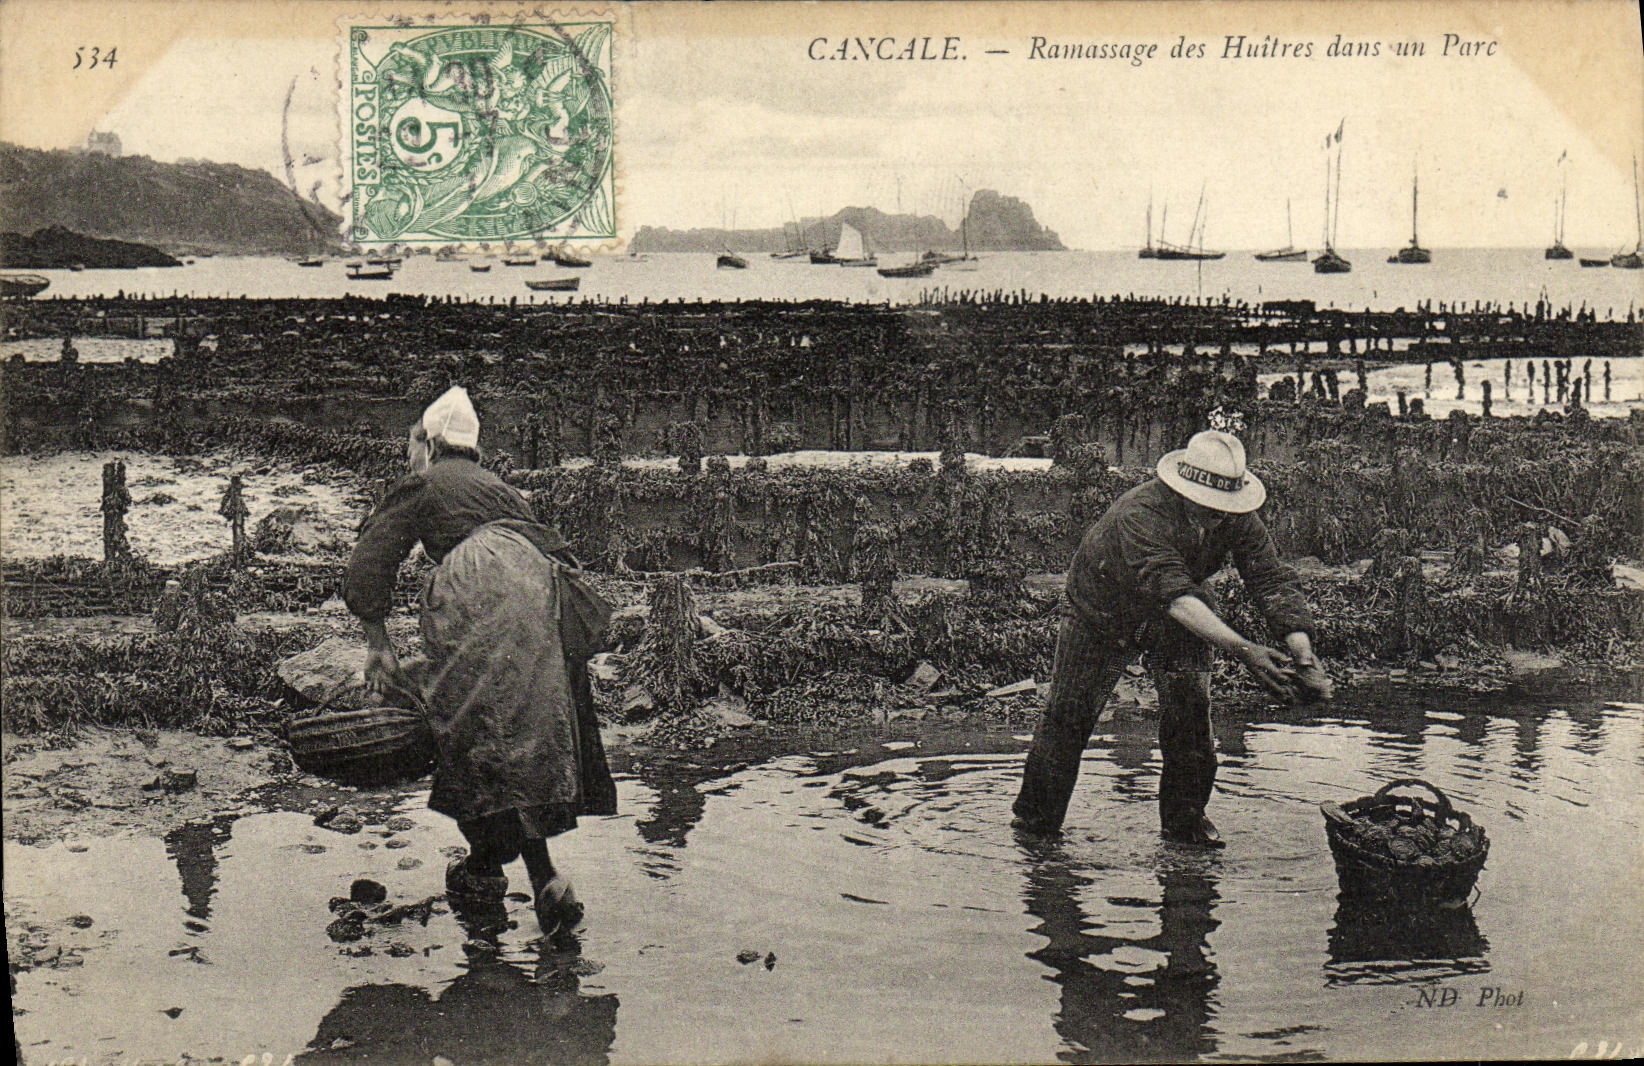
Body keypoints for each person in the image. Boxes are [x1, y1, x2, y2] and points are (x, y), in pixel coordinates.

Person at [342, 386, 617, 935]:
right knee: (520, 733)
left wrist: (378, 642)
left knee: (469, 728)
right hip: (540, 595)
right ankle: (537, 878)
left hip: (478, 585)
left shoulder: (426, 481)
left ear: (430, 443)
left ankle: (487, 875)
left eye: (413, 442)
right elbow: (558, 552)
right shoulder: (502, 490)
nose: (410, 453)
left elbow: (369, 560)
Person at [1013, 430, 1333, 848]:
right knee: (1069, 716)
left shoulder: (1236, 516)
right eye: (1209, 505)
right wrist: (1247, 651)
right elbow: (1173, 595)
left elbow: (1270, 579)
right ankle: (1036, 825)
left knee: (1191, 713)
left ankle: (1186, 823)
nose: (1219, 515)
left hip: (1182, 612)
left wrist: (1302, 654)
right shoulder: (1140, 512)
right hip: (1103, 610)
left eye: (1226, 507)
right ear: (1183, 490)